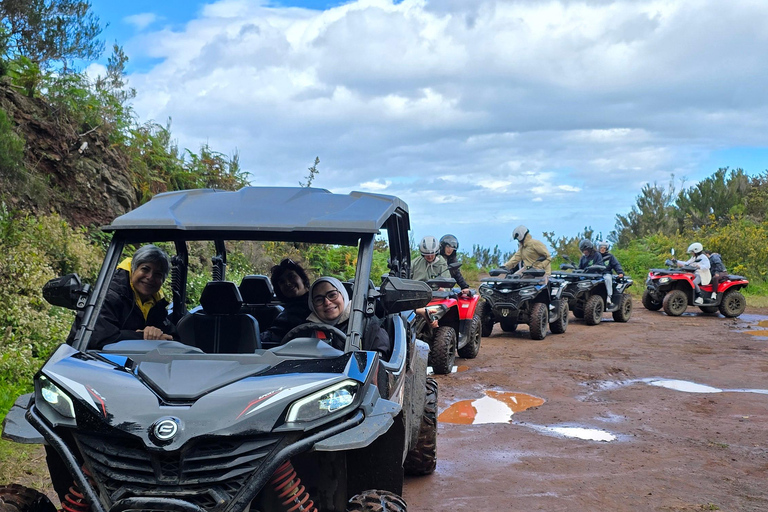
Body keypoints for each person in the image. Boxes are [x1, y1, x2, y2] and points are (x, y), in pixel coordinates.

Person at [90, 245, 176, 349]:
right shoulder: (108, 295)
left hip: (134, 362)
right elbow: (100, 338)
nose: (150, 277)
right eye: (145, 269)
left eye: (158, 274)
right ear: (133, 269)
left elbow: (173, 338)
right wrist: (144, 336)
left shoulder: (157, 306)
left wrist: (157, 335)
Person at [307, 277, 390, 356]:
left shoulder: (367, 324)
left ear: (343, 295)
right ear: (312, 305)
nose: (327, 302)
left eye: (332, 295)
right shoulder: (306, 330)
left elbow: (379, 363)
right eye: (319, 300)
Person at [261, 258, 312, 344]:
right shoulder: (288, 308)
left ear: (302, 278)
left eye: (291, 276)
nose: (287, 283)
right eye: (282, 282)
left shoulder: (316, 304)